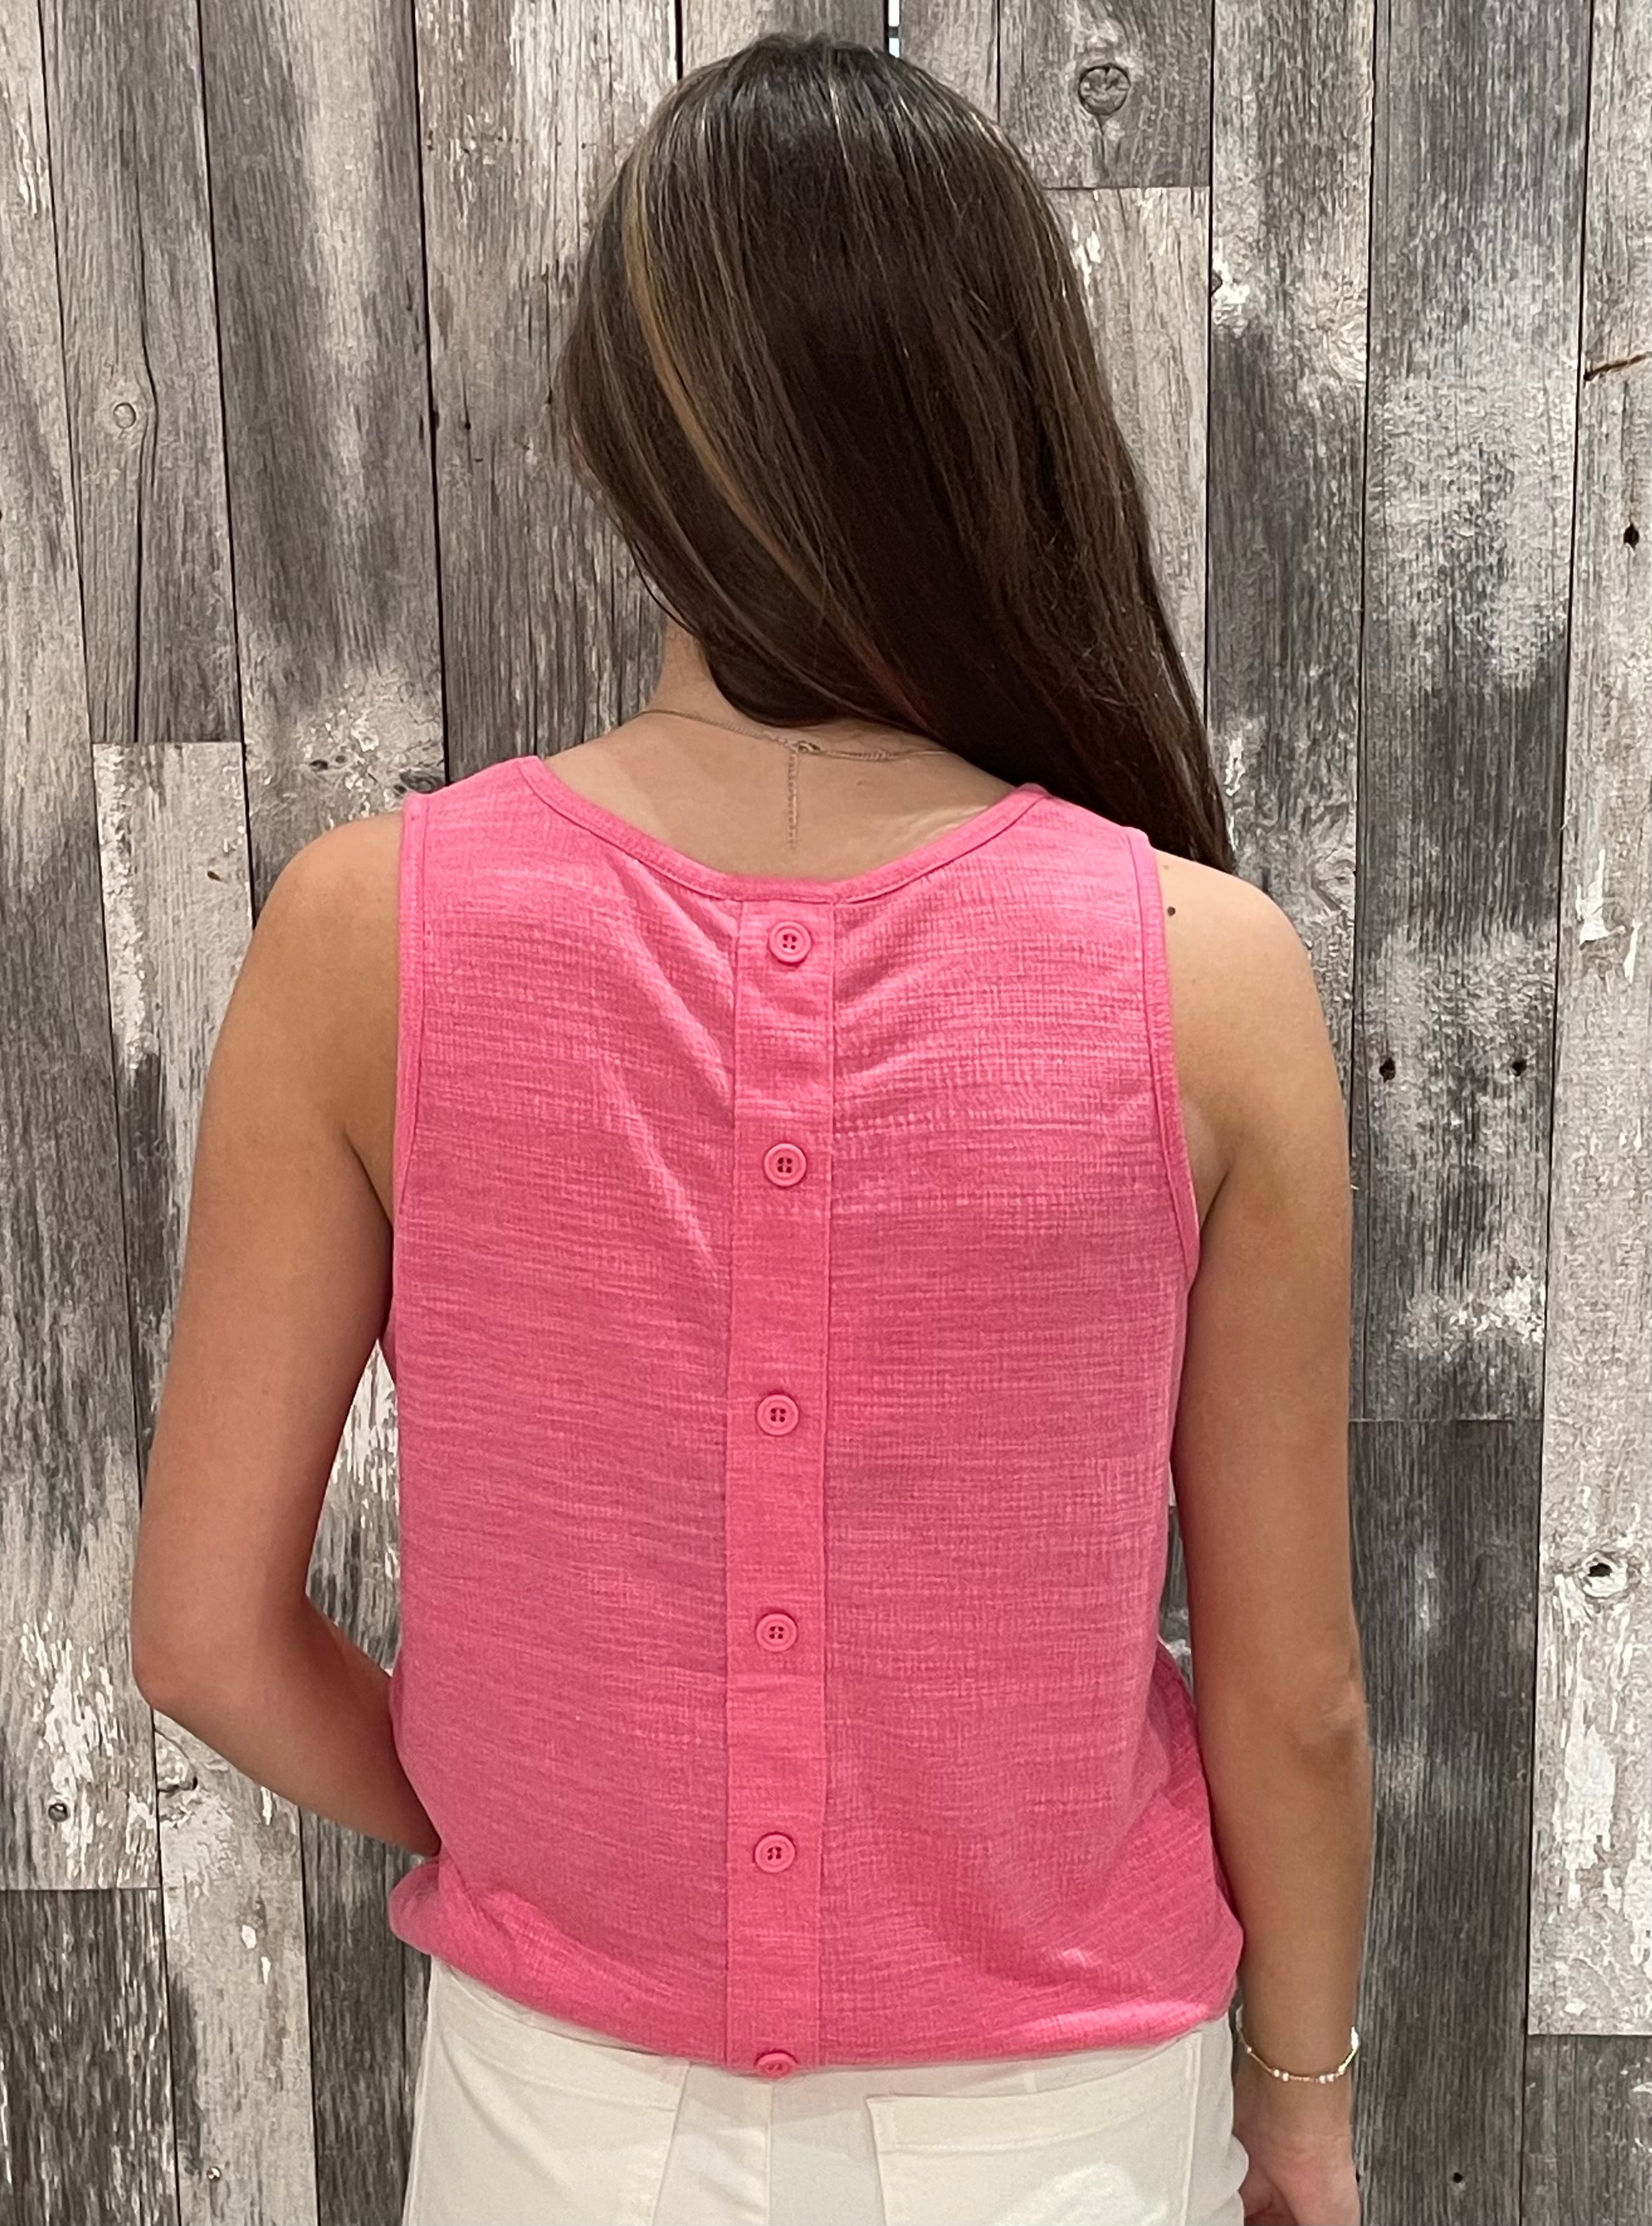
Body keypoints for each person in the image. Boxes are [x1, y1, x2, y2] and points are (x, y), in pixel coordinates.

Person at [129, 30, 1372, 2226]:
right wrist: (1302, 2104)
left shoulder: (360, 935)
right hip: (1069, 2131)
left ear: (621, 436)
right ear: (1010, 422)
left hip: (554, 2119)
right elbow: (1297, 1701)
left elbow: (207, 1634)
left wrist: (535, 1834)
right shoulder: (1209, 976)